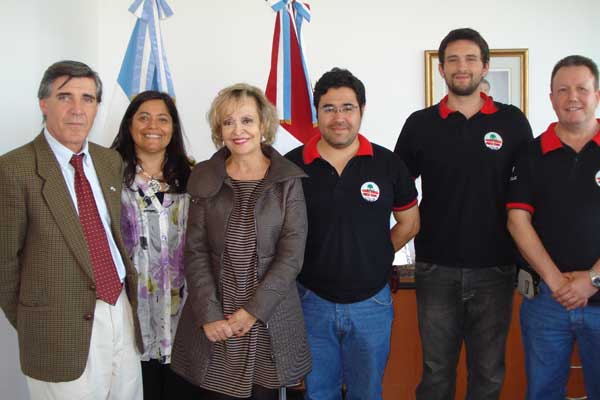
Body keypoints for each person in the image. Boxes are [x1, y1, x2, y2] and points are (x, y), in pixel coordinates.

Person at [394, 28, 533, 399]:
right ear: (441, 69)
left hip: (496, 269)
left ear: (485, 66)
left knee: (488, 373)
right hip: (435, 268)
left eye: (471, 58)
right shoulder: (419, 124)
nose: (462, 67)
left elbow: (532, 192)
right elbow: (394, 189)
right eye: (453, 59)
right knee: (436, 372)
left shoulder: (512, 122)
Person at [0, 60, 143, 399]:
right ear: (43, 104)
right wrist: (37, 317)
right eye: (65, 97)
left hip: (120, 311)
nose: (78, 109)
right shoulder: (14, 169)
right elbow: (3, 264)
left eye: (89, 98)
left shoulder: (109, 161)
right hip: (58, 330)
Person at [170, 83, 311, 400]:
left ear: (263, 125)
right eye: (228, 122)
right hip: (217, 321)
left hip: (268, 318)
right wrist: (210, 314)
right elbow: (195, 252)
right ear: (219, 130)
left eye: (247, 120)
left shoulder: (288, 181)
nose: (238, 130)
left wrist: (253, 311)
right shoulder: (205, 176)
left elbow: (291, 257)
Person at [286, 68, 420, 399]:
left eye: (348, 107)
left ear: (361, 110)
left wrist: (377, 252)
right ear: (317, 114)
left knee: (367, 391)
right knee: (319, 392)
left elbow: (409, 223)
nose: (339, 117)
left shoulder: (388, 164)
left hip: (372, 302)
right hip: (311, 300)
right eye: (329, 108)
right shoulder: (290, 167)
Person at [506, 55, 600, 399]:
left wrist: (592, 279)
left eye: (581, 89)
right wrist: (557, 281)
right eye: (563, 89)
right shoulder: (530, 155)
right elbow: (518, 222)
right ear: (551, 98)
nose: (572, 96)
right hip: (548, 301)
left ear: (597, 95)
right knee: (542, 392)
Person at [111, 90, 194, 400]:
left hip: (184, 315)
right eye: (143, 117)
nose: (153, 125)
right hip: (129, 313)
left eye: (163, 118)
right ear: (129, 124)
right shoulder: (109, 175)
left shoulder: (193, 176)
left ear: (173, 127)